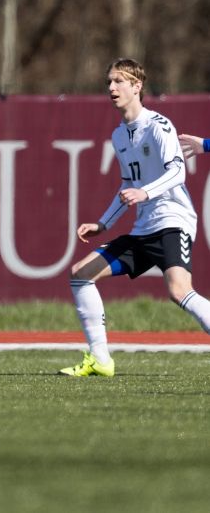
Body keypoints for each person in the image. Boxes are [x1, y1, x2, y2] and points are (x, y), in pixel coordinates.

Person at [60, 58, 210, 377]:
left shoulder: (158, 125)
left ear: (137, 86)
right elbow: (128, 184)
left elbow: (178, 172)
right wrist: (104, 223)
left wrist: (146, 193)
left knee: (179, 290)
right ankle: (101, 360)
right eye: (109, 82)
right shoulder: (119, 135)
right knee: (80, 273)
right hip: (143, 229)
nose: (112, 88)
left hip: (173, 220)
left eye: (119, 82)